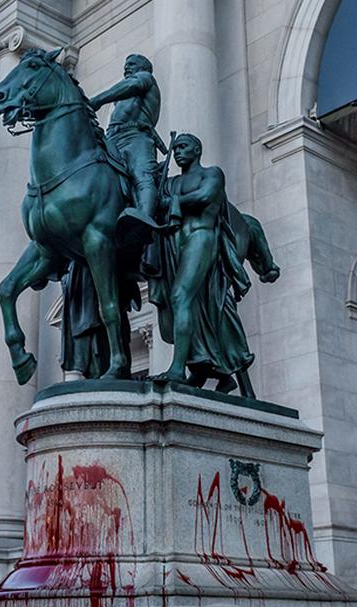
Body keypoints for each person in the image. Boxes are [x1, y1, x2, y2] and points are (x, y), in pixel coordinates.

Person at [144, 133, 254, 392]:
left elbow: (205, 197)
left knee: (181, 297)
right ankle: (207, 369)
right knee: (186, 304)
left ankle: (177, 368)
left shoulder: (211, 174)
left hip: (202, 239)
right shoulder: (170, 183)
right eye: (176, 148)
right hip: (174, 245)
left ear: (197, 150)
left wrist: (170, 201)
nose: (179, 152)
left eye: (183, 147)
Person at [88, 54, 163, 230]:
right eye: (125, 65)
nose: (126, 67)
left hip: (135, 137)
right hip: (112, 139)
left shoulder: (145, 79)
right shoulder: (123, 95)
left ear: (143, 67)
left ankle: (144, 219)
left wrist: (97, 100)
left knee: (142, 176)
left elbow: (133, 85)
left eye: (131, 64)